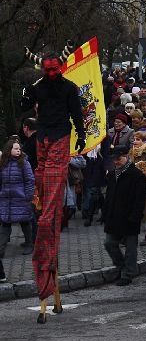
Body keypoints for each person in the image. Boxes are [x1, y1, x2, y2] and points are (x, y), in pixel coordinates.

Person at [21, 49, 86, 319]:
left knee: (52, 184)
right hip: (44, 137)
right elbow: (24, 105)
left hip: (60, 136)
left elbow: (77, 114)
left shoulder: (69, 88)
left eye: (54, 70)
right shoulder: (38, 87)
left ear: (60, 68)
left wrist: (81, 136)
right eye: (47, 71)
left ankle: (48, 215)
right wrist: (25, 94)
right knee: (42, 176)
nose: (50, 74)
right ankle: (44, 210)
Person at [103, 145, 146, 286]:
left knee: (130, 248)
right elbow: (109, 196)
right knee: (109, 243)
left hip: (129, 218)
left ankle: (128, 273)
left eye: (119, 158)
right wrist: (106, 213)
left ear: (126, 157)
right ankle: (121, 267)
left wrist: (135, 217)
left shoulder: (136, 175)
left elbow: (140, 200)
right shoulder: (111, 175)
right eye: (114, 159)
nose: (116, 162)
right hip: (114, 217)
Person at [0, 140, 36, 283]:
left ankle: (29, 244)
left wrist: (27, 196)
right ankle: (1, 248)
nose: (18, 150)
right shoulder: (3, 163)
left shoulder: (24, 163)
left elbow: (29, 180)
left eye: (19, 148)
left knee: (25, 221)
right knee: (5, 223)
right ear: (9, 149)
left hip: (20, 198)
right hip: (6, 199)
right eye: (15, 148)